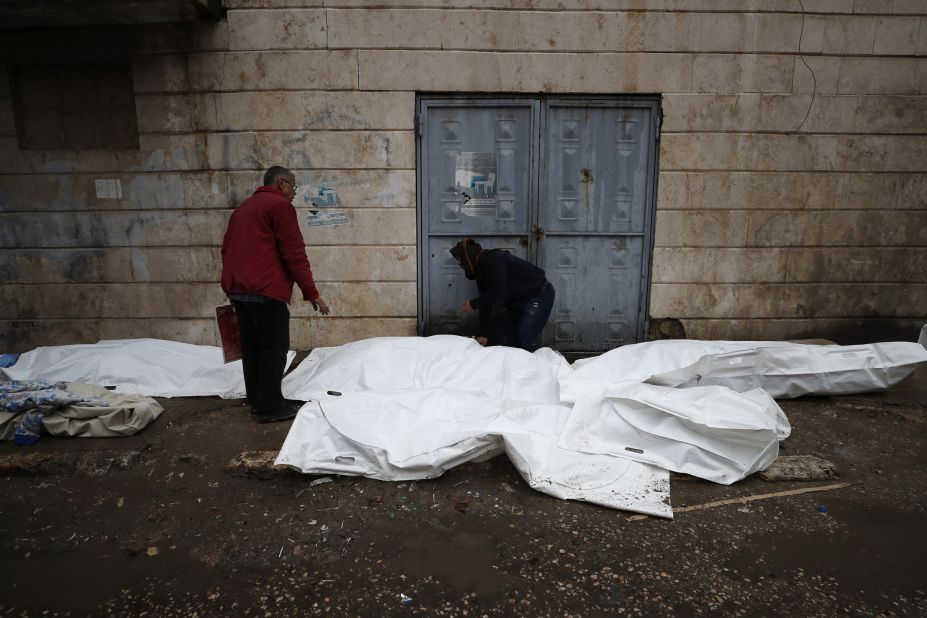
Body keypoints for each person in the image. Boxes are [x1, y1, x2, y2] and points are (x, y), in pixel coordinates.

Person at [221, 166, 330, 423]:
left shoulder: (243, 209)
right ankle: (270, 408)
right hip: (265, 291)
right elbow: (293, 253)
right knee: (274, 348)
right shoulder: (280, 207)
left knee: (253, 348)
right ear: (281, 183)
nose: (294, 192)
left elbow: (226, 250)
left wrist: (231, 286)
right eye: (293, 186)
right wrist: (312, 293)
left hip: (239, 291)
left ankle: (259, 401)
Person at [449, 238, 555, 353]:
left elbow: (498, 291)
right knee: (503, 334)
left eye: (459, 259)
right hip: (518, 299)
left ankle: (538, 367)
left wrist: (473, 304)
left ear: (467, 256)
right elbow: (487, 303)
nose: (458, 263)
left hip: (538, 293)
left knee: (526, 338)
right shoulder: (480, 271)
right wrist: (483, 334)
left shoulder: (494, 259)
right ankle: (515, 368)